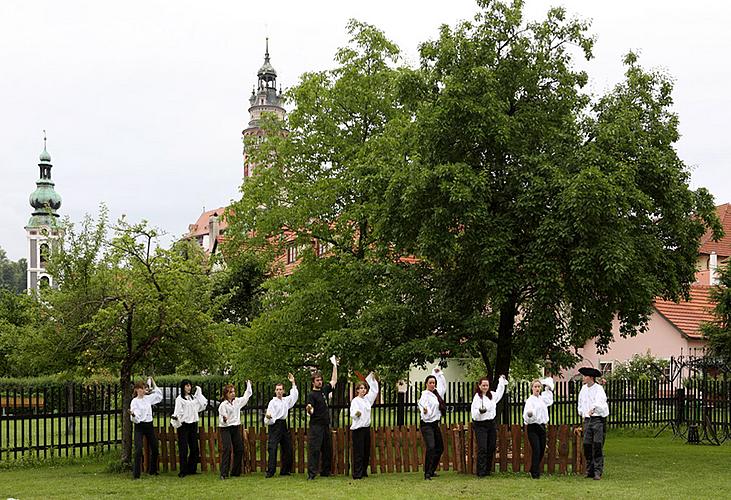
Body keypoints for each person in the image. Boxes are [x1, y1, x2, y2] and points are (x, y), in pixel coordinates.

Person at [305, 356, 338, 480]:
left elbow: (334, 380)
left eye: (321, 380)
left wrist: (334, 365)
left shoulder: (324, 390)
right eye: (318, 380)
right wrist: (309, 409)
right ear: (313, 382)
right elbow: (310, 409)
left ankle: (325, 472)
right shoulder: (311, 395)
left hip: (325, 426)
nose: (320, 382)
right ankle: (312, 474)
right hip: (316, 426)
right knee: (314, 450)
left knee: (327, 449)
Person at [471, 374, 507, 477]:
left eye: (487, 385)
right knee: (482, 447)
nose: (485, 387)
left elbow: (500, 393)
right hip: (480, 424)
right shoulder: (477, 397)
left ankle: (487, 470)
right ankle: (481, 472)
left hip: (491, 424)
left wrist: (501, 380)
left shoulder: (492, 395)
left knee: (491, 446)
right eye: (483, 385)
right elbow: (474, 413)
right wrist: (480, 412)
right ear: (479, 386)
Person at [264, 373, 298, 478]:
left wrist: (293, 382)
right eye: (277, 389)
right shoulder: (272, 402)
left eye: (280, 389)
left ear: (283, 391)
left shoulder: (286, 400)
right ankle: (271, 471)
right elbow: (268, 416)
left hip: (283, 424)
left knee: (287, 447)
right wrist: (269, 418)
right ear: (275, 391)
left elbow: (294, 396)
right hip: (274, 425)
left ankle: (285, 470)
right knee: (272, 448)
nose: (279, 391)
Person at [577, 367, 609, 480]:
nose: (583, 378)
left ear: (590, 377)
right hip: (587, 419)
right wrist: (582, 411)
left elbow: (600, 401)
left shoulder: (599, 389)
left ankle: (597, 471)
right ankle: (590, 470)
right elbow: (580, 402)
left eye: (585, 376)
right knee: (586, 444)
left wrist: (593, 408)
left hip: (597, 419)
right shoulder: (583, 389)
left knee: (597, 444)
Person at [172, 379, 208, 477]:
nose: (189, 387)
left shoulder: (193, 398)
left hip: (193, 424)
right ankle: (183, 471)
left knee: (194, 448)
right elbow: (178, 412)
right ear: (183, 387)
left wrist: (199, 392)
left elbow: (202, 405)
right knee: (183, 448)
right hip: (183, 425)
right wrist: (176, 419)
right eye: (187, 386)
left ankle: (192, 469)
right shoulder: (179, 399)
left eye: (190, 386)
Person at [217, 380, 252, 480]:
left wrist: (248, 385)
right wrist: (224, 419)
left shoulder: (237, 402)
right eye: (230, 392)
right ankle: (223, 473)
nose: (233, 394)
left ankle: (235, 472)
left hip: (235, 427)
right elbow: (222, 419)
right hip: (225, 428)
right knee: (227, 449)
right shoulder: (223, 405)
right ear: (226, 394)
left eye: (233, 392)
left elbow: (247, 396)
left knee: (239, 449)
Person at [129, 377, 162, 479]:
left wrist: (153, 382)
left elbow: (159, 396)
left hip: (149, 426)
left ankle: (152, 470)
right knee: (138, 449)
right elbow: (135, 417)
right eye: (141, 389)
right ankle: (136, 474)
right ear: (137, 390)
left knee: (155, 448)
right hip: (140, 426)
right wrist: (133, 415)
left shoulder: (148, 399)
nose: (143, 391)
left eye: (144, 389)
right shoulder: (134, 401)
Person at [418, 366, 447, 480]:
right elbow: (422, 405)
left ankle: (431, 470)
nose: (432, 384)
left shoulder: (437, 394)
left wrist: (439, 374)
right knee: (431, 447)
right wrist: (425, 410)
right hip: (426, 424)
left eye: (434, 383)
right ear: (426, 384)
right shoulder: (424, 395)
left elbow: (443, 386)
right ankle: (427, 474)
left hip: (435, 424)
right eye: (430, 382)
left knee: (440, 448)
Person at [349, 371, 379, 479]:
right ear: (357, 390)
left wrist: (372, 378)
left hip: (366, 428)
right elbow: (353, 413)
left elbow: (375, 391)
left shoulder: (367, 400)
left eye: (364, 388)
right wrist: (356, 415)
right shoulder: (355, 401)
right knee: (359, 452)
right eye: (361, 388)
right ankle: (357, 473)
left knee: (366, 451)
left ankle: (363, 471)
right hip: (358, 429)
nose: (363, 390)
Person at [522, 378, 554, 479]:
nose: (537, 388)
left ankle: (533, 469)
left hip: (542, 426)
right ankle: (535, 473)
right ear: (532, 388)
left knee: (542, 449)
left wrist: (548, 388)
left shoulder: (542, 399)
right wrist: (530, 414)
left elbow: (549, 400)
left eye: (539, 387)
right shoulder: (530, 400)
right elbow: (526, 414)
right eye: (535, 387)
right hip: (533, 427)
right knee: (536, 449)